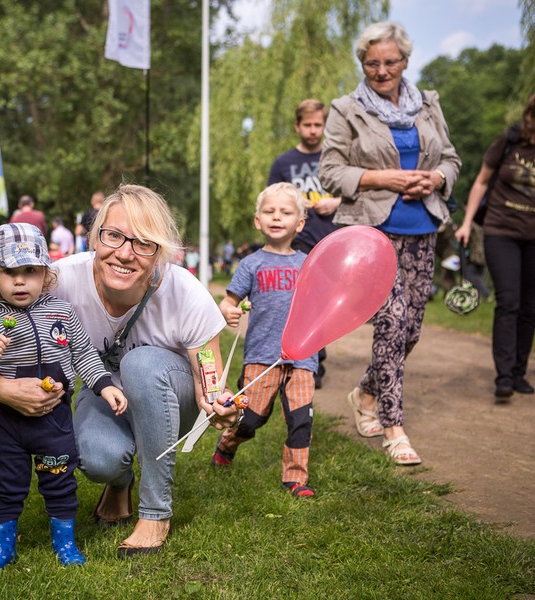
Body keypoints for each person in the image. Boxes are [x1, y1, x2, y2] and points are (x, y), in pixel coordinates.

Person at [0, 184, 241, 557]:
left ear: (160, 251)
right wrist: (3, 390)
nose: (124, 254)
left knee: (140, 363)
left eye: (143, 243)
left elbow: (208, 377)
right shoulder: (56, 281)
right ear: (95, 237)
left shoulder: (184, 292)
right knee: (95, 458)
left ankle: (155, 512)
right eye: (113, 236)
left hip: (169, 396)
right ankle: (119, 480)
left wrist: (220, 403)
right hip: (106, 394)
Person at [319, 21, 460, 465]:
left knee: (411, 328)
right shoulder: (346, 109)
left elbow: (451, 158)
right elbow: (330, 170)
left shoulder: (429, 105)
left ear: (405, 61)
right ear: (362, 64)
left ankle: (363, 392)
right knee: (393, 321)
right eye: (372, 63)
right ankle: (393, 426)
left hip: (424, 228)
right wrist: (385, 177)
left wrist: (436, 178)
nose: (381, 71)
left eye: (390, 62)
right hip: (372, 232)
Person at [0, 223, 128, 569]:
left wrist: (104, 384)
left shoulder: (62, 313)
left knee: (59, 480)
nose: (20, 281)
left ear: (46, 275)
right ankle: (2, 547)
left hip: (54, 420)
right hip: (9, 423)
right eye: (9, 273)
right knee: (7, 483)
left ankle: (65, 543)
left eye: (30, 272)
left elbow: (83, 354)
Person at [211, 183, 318, 497]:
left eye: (285, 213)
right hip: (261, 355)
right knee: (251, 420)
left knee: (301, 419)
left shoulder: (308, 263)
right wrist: (228, 312)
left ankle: (295, 479)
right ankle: (228, 444)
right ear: (257, 221)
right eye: (269, 212)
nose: (277, 217)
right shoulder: (251, 264)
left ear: (299, 223)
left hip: (302, 357)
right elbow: (229, 301)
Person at [455, 94, 535, 402]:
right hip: (501, 231)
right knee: (509, 301)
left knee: (530, 306)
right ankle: (503, 377)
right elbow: (481, 182)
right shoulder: (510, 141)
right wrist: (467, 223)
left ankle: (518, 372)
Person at [268, 99, 342, 389]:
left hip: (331, 242)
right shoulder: (283, 163)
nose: (313, 131)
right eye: (308, 125)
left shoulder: (334, 160)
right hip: (297, 244)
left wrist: (334, 202)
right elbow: (273, 199)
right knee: (298, 303)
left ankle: (315, 360)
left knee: (323, 304)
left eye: (318, 125)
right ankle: (301, 358)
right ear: (298, 126)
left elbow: (354, 193)